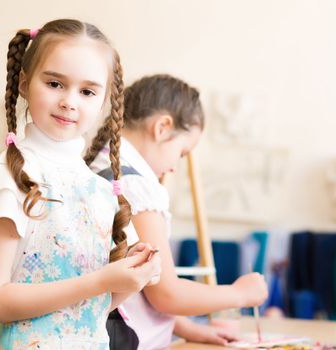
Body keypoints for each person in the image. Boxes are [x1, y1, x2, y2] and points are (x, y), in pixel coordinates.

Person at [0, 19, 161, 349]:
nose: (70, 101)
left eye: (87, 91)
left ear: (104, 100)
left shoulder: (100, 189)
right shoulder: (8, 176)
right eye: (55, 83)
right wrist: (101, 280)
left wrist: (132, 277)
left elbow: (88, 309)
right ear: (25, 84)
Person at [86, 74, 268, 349]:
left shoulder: (101, 168)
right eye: (182, 153)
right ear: (162, 128)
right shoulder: (134, 186)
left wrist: (188, 328)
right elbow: (165, 294)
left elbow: (142, 290)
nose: (174, 167)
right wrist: (239, 294)